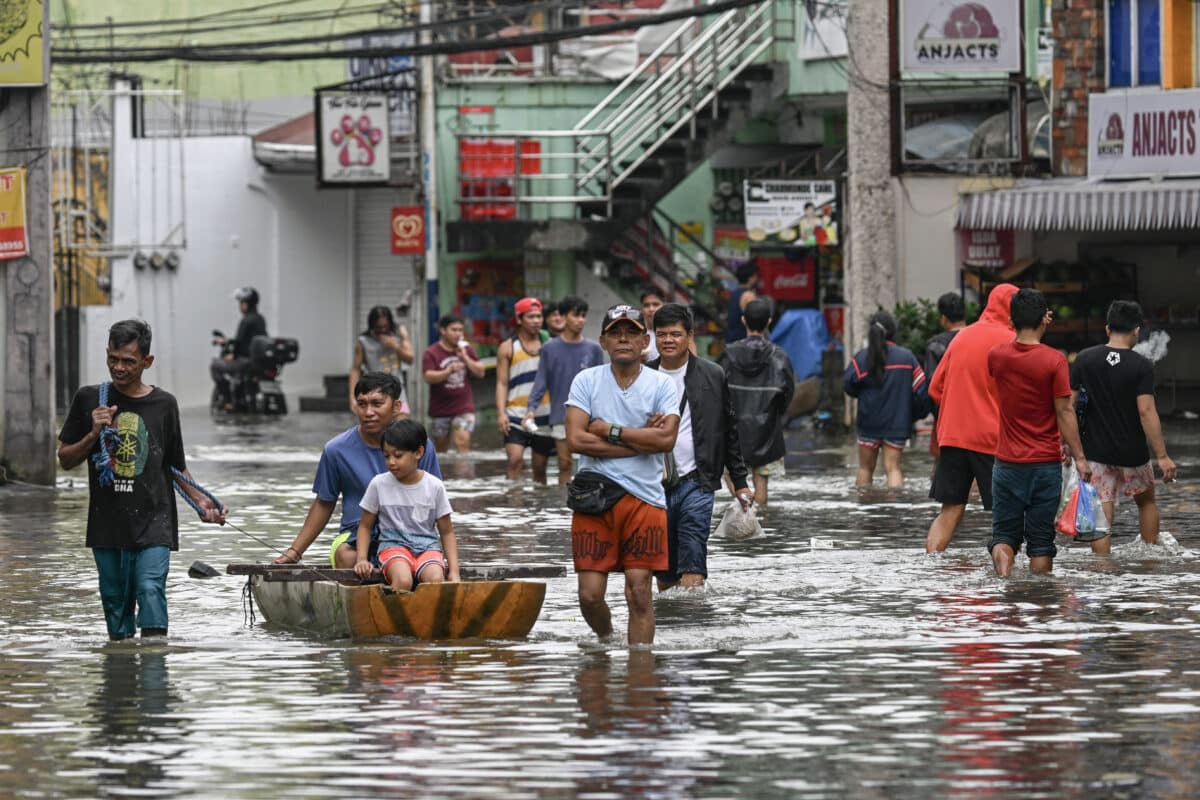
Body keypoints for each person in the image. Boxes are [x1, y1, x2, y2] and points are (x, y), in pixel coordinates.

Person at [58, 319, 227, 640]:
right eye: (113, 359)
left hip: (154, 521)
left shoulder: (164, 405)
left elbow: (175, 466)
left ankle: (154, 676)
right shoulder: (89, 399)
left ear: (147, 362)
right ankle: (121, 679)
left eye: (128, 361)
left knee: (150, 589)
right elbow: (65, 459)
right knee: (115, 608)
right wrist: (94, 433)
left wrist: (203, 504)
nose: (118, 368)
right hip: (107, 524)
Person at [565, 304, 680, 645]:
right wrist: (638, 442)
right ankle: (607, 640)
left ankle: (640, 677)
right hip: (593, 498)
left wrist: (608, 430)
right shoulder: (586, 380)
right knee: (589, 596)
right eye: (615, 332)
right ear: (602, 341)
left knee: (640, 592)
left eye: (631, 332)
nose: (623, 339)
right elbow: (575, 439)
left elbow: (666, 439)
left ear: (646, 340)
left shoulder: (661, 384)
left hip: (646, 499)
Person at [275, 372, 441, 568]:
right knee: (349, 558)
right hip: (354, 535)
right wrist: (295, 552)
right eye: (362, 404)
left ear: (396, 407)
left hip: (408, 536)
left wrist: (434, 551)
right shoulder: (336, 450)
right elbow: (324, 503)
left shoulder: (420, 446)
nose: (368, 412)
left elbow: (434, 502)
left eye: (377, 404)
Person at [648, 303, 753, 591]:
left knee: (693, 559)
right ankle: (673, 625)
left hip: (698, 481)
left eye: (675, 334)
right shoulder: (641, 377)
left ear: (689, 335)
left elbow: (729, 430)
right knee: (665, 572)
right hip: (651, 486)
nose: (668, 340)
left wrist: (740, 482)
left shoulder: (712, 375)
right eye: (662, 334)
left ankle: (694, 619)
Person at [987, 288, 1090, 577]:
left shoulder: (997, 357)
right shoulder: (1054, 360)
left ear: (1011, 320)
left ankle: (1004, 582)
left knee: (1004, 537)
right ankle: (1040, 602)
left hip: (1007, 463)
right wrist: (1080, 458)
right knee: (1041, 543)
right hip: (1045, 465)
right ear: (1046, 319)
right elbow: (1065, 412)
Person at [1070, 300, 1178, 554]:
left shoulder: (1084, 360)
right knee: (1146, 501)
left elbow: (1069, 407)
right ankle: (1149, 559)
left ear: (1107, 329)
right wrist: (1162, 456)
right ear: (1137, 330)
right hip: (1133, 452)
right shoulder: (1141, 365)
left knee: (1102, 503)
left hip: (1096, 451)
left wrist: (1069, 446)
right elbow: (1146, 411)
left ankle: (1102, 565)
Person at [924, 283, 1019, 553]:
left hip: (952, 437)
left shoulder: (962, 337)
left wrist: (959, 408)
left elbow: (934, 388)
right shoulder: (1011, 342)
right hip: (991, 439)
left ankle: (931, 567)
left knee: (950, 510)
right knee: (1006, 515)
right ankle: (1009, 584)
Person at [354, 419, 460, 591]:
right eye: (387, 456)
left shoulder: (434, 486)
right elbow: (365, 526)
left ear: (418, 452)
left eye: (398, 455)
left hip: (427, 548)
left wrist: (454, 572)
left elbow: (447, 531)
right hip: (393, 547)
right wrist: (361, 559)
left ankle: (427, 617)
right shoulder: (378, 484)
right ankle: (394, 616)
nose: (391, 462)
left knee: (435, 579)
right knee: (403, 581)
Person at [718, 298, 794, 506]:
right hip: (767, 432)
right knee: (762, 485)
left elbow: (717, 390)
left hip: (733, 432)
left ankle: (744, 514)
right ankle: (757, 525)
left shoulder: (728, 354)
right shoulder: (780, 356)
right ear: (769, 322)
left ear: (743, 321)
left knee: (733, 476)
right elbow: (787, 394)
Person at [843, 311, 928, 488]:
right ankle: (894, 511)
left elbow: (848, 385)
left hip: (868, 422)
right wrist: (911, 414)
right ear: (892, 331)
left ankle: (864, 511)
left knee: (865, 469)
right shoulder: (907, 357)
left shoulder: (861, 358)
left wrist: (864, 396)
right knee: (893, 468)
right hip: (897, 423)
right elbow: (922, 392)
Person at [525, 297, 605, 485]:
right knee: (564, 463)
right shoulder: (549, 348)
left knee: (590, 464)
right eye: (576, 315)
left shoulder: (593, 349)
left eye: (583, 316)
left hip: (591, 416)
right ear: (564, 317)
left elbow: (602, 384)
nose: (580, 320)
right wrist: (531, 408)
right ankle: (564, 507)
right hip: (561, 415)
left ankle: (587, 501)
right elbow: (541, 381)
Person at [496, 297, 555, 482]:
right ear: (519, 319)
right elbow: (502, 383)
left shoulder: (551, 346)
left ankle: (536, 509)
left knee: (540, 469)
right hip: (515, 414)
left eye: (539, 316)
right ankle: (514, 506)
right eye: (531, 316)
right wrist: (501, 413)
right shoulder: (507, 347)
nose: (537, 320)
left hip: (544, 415)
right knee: (515, 460)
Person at [422, 313, 485, 453]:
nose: (458, 334)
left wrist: (466, 359)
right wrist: (448, 371)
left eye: (460, 330)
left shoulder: (466, 349)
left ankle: (464, 475)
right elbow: (428, 377)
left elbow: (481, 372)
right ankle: (447, 475)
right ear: (443, 330)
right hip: (440, 409)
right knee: (440, 451)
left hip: (463, 407)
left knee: (463, 443)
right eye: (454, 330)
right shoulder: (431, 352)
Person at [925, 292, 968, 458]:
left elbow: (932, 385)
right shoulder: (979, 337)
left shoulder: (936, 344)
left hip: (946, 417)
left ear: (943, 318)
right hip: (978, 414)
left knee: (942, 466)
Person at [349, 305, 414, 415]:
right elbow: (355, 369)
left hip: (396, 390)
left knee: (402, 427)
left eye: (385, 326)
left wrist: (396, 346)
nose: (382, 330)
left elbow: (410, 359)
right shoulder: (363, 341)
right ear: (372, 325)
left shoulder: (398, 336)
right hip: (373, 391)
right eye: (378, 327)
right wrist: (352, 397)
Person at [210, 286, 269, 405]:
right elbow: (249, 339)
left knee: (215, 366)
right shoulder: (260, 319)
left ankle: (228, 399)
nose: (240, 306)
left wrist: (233, 355)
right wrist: (228, 341)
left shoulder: (246, 320)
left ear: (247, 304)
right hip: (259, 361)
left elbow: (239, 342)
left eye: (241, 302)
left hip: (245, 361)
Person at [725, 261, 759, 343]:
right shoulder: (748, 295)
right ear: (750, 278)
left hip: (732, 339)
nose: (757, 279)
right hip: (744, 340)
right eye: (755, 276)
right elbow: (756, 320)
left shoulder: (734, 294)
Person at [640, 288, 665, 361]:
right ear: (642, 309)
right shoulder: (637, 335)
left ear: (664, 306)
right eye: (646, 305)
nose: (651, 309)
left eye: (655, 304)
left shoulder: (675, 335)